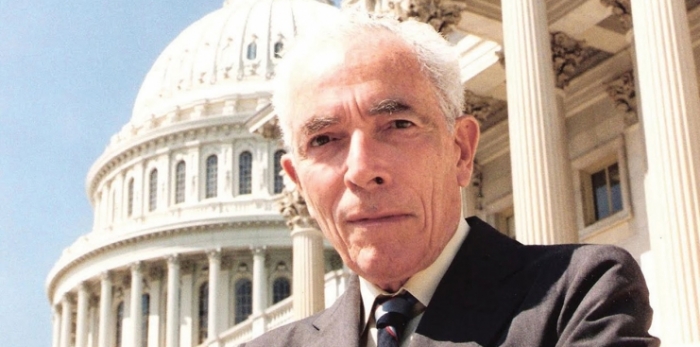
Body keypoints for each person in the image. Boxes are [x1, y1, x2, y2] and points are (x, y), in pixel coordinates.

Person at [242, 12, 659, 347]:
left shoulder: (578, 294)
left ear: (461, 150)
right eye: (324, 138)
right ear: (297, 181)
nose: (361, 169)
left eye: (398, 124)